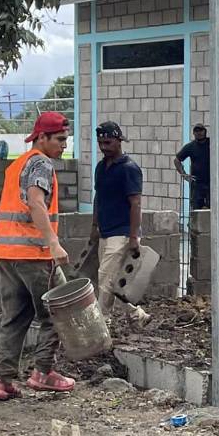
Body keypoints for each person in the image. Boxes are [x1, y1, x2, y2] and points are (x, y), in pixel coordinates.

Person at [0, 111, 75, 401]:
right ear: (42, 137)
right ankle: (43, 372)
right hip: (34, 253)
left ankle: (2, 381)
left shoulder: (17, 165)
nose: (65, 144)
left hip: (7, 254)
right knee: (59, 312)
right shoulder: (40, 163)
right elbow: (36, 204)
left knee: (15, 317)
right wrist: (53, 243)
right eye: (60, 139)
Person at [89, 121, 151, 326]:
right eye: (100, 143)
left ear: (118, 141)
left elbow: (136, 203)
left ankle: (101, 323)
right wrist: (94, 227)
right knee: (114, 280)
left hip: (123, 232)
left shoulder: (129, 169)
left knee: (105, 277)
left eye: (107, 142)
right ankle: (137, 315)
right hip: (106, 230)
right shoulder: (101, 167)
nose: (103, 147)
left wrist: (133, 237)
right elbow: (98, 197)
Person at [174, 124, 210, 211]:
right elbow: (177, 160)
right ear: (194, 133)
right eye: (196, 131)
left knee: (212, 210)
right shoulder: (191, 146)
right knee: (196, 211)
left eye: (201, 130)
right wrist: (184, 174)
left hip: (211, 183)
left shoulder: (211, 143)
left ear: (205, 131)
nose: (199, 133)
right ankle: (193, 224)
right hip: (197, 184)